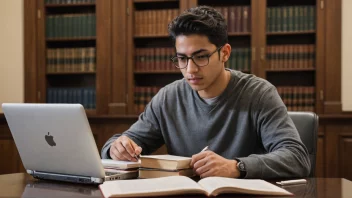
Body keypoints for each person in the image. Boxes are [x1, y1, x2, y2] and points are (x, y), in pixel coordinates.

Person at [101, 5, 310, 179]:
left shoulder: (259, 93)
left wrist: (236, 167)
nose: (190, 70)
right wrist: (115, 149)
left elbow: (297, 158)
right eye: (182, 59)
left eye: (201, 57)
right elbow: (124, 141)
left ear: (225, 53)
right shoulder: (168, 97)